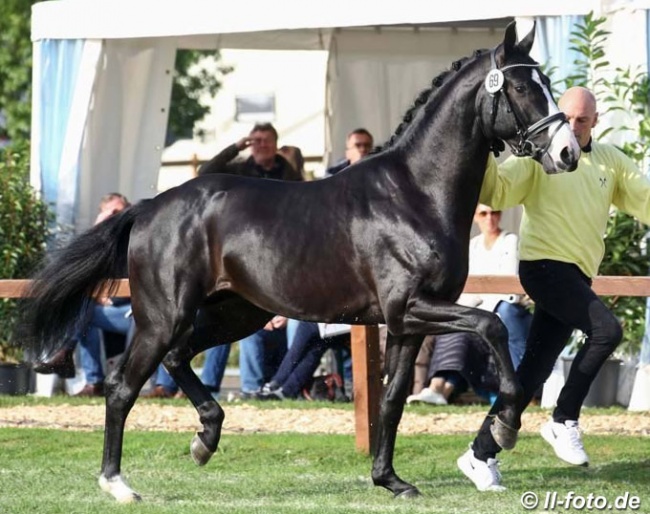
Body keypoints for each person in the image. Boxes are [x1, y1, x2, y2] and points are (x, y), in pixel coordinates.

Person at [458, 86, 650, 492]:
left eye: (583, 119)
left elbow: (645, 200)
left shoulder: (611, 161)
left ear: (596, 120)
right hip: (543, 268)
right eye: (569, 117)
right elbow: (496, 191)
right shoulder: (538, 158)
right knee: (607, 330)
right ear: (558, 116)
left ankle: (478, 454)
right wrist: (487, 155)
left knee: (533, 371)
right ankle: (563, 420)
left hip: (576, 276)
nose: (575, 126)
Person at [33, 193, 133, 397]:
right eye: (111, 212)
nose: (116, 216)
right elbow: (83, 272)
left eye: (119, 211)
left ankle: (65, 352)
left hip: (135, 310)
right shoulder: (103, 243)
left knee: (84, 311)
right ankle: (94, 381)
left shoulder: (136, 237)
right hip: (108, 308)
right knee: (82, 310)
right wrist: (99, 230)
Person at [256, 320, 351, 401]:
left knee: (306, 324)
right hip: (339, 325)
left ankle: (278, 383)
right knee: (316, 346)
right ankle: (285, 390)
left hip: (349, 325)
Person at [199, 123, 302, 182]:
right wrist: (235, 148)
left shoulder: (290, 175)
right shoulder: (238, 171)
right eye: (258, 141)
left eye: (267, 140)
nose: (263, 145)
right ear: (250, 145)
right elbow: (205, 172)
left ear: (276, 145)